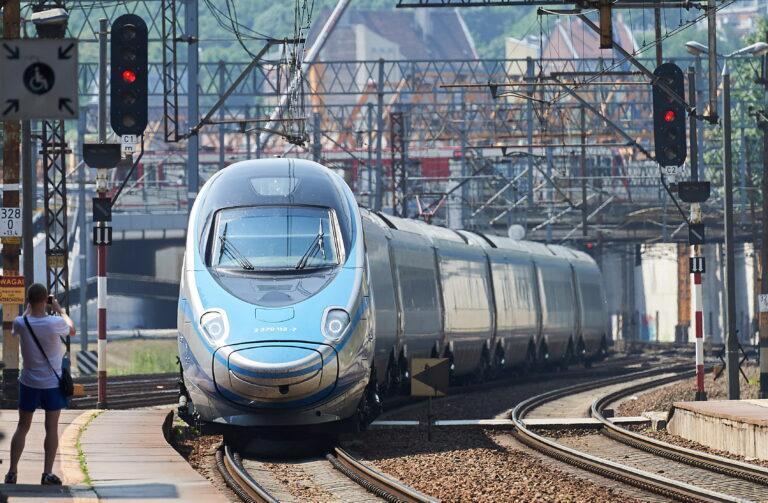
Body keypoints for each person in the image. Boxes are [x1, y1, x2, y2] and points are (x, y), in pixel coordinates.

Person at [4, 283, 75, 485]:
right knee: (51, 428)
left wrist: (30, 306)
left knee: (22, 426)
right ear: (46, 301)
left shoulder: (20, 322)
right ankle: (46, 473)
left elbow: (17, 328)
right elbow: (72, 329)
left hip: (28, 383)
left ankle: (11, 472)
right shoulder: (54, 322)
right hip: (52, 385)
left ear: (28, 301)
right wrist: (60, 310)